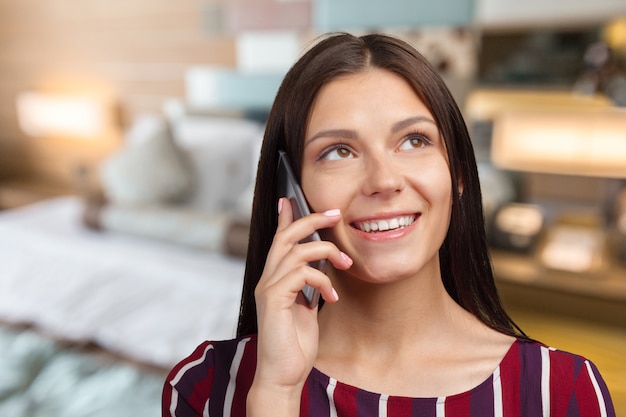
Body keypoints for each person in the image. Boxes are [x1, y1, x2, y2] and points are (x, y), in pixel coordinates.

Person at [162, 33, 616, 417]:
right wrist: (277, 393)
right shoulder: (205, 387)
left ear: (457, 172)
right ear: (292, 192)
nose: (383, 181)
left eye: (413, 140)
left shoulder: (563, 392)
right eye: (339, 151)